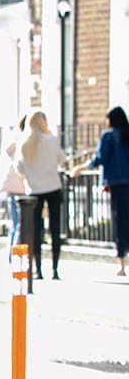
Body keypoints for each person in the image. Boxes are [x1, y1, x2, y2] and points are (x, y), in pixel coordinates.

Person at [15, 110, 68, 280]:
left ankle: (37, 269)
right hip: (53, 188)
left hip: (34, 191)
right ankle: (55, 269)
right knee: (55, 229)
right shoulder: (51, 139)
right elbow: (62, 160)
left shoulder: (24, 143)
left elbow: (19, 169)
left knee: (35, 231)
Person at [82, 106, 129, 276]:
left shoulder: (108, 136)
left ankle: (122, 266)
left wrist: (82, 167)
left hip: (116, 184)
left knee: (119, 222)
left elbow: (100, 158)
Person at [0, 116, 28, 261]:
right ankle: (15, 256)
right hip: (22, 186)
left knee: (15, 224)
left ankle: (11, 255)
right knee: (20, 224)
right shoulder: (26, 140)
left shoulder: (16, 138)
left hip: (11, 185)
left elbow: (8, 152)